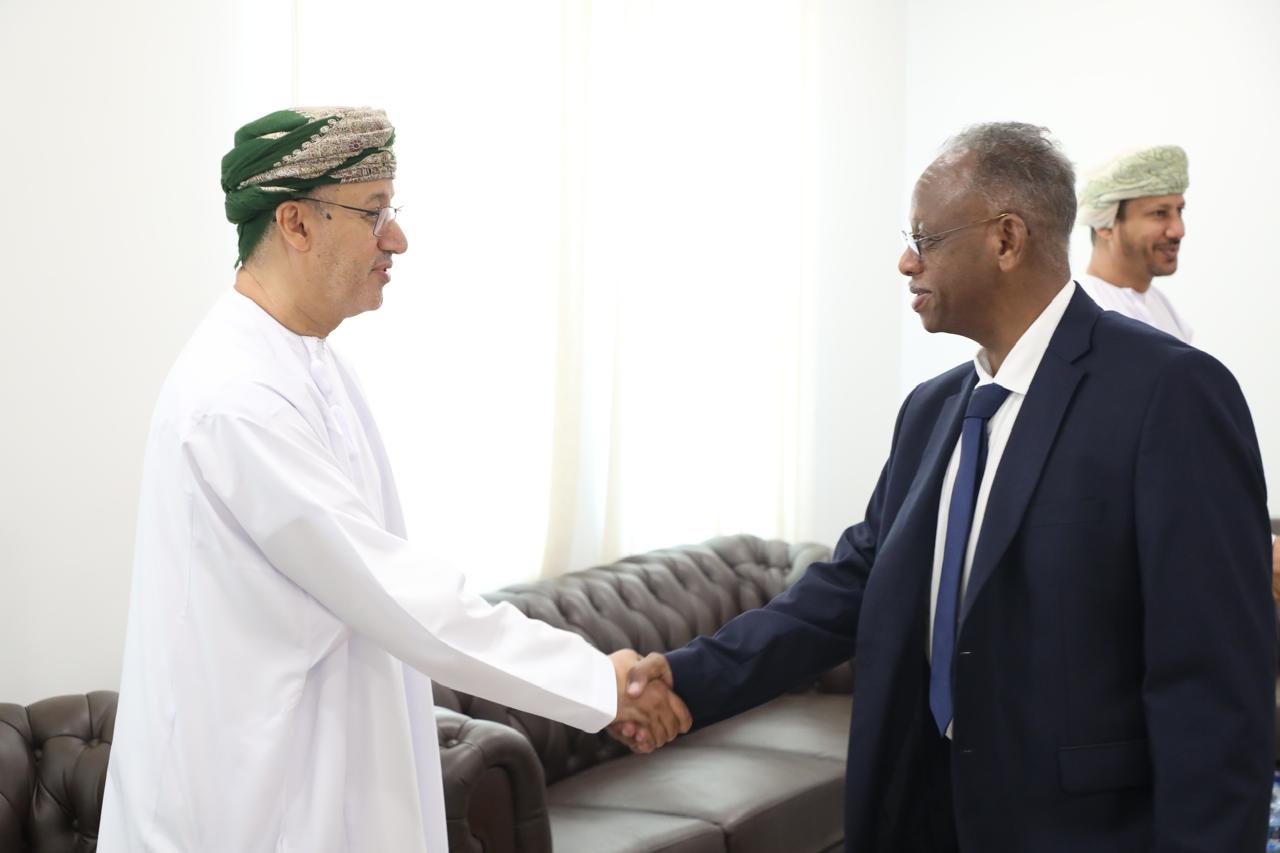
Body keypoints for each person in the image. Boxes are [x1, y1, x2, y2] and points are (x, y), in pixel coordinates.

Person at [619, 123, 1274, 851]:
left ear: (1005, 239)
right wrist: (682, 676)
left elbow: (1214, 680)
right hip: (924, 811)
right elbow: (849, 585)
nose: (905, 261)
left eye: (924, 238)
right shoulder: (931, 409)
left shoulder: (1170, 392)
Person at [99, 106, 688, 852]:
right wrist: (600, 685)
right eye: (375, 212)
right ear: (296, 224)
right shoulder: (237, 400)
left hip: (322, 786)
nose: (398, 239)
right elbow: (404, 598)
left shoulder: (314, 364)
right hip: (242, 810)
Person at [1076, 145, 1191, 342]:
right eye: (1159, 213)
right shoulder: (1080, 314)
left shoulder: (1161, 306)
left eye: (1179, 211)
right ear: (1105, 225)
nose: (1178, 230)